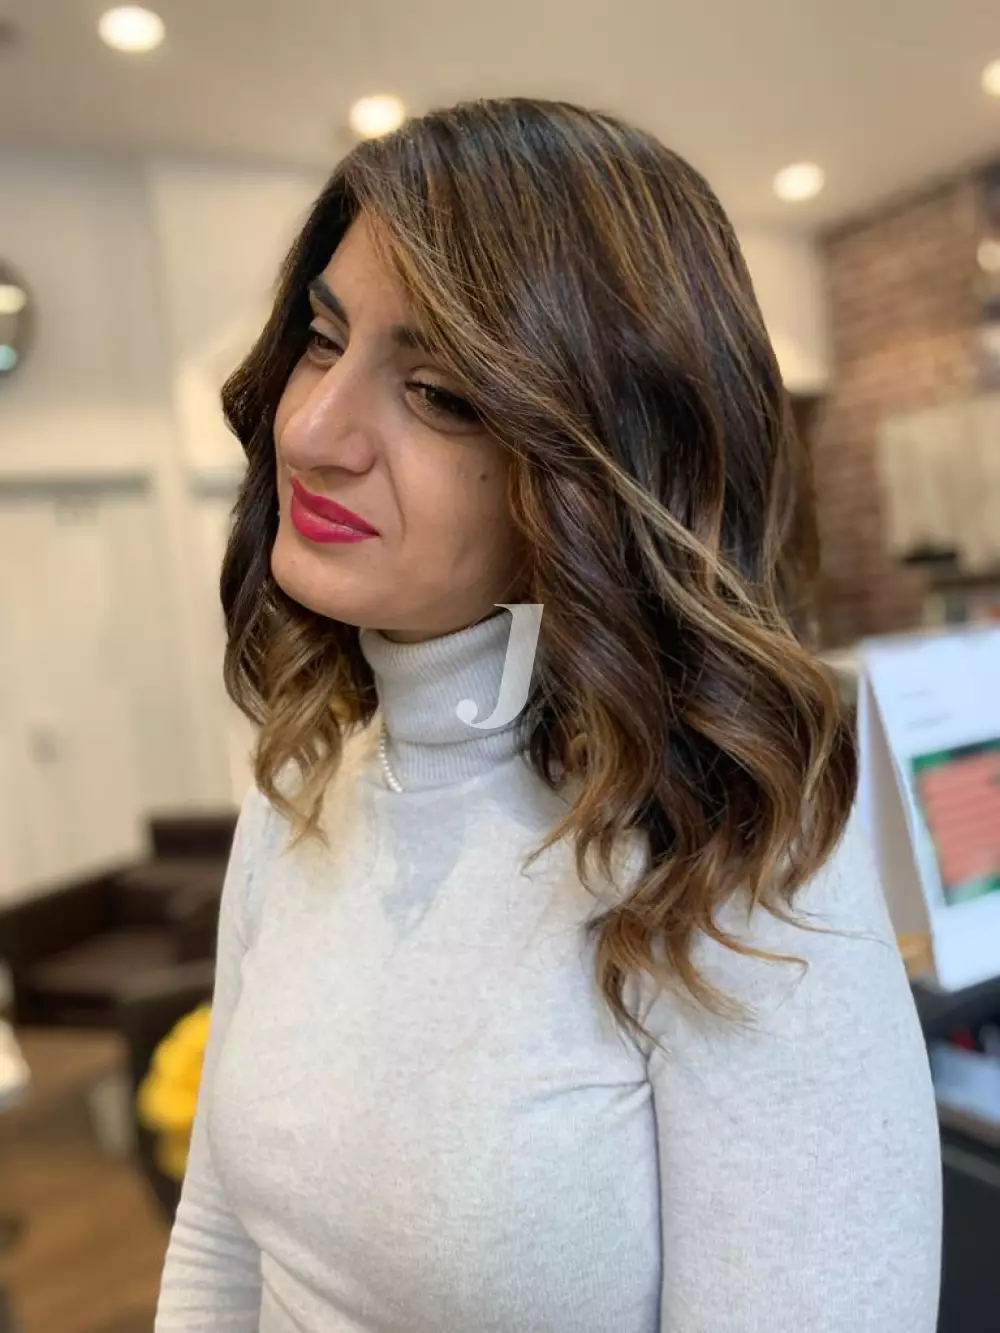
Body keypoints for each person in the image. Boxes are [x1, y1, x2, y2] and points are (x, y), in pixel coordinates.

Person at [154, 98, 941, 1332]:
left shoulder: (733, 861)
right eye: (322, 338)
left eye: (438, 391)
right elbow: (218, 1240)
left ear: (608, 463)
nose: (308, 429)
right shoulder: (300, 788)